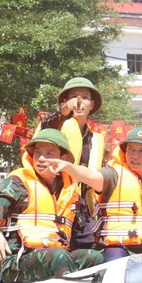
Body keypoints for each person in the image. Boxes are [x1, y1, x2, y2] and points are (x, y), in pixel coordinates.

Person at [47, 126, 142, 262]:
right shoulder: (112, 175)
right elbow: (90, 176)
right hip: (121, 247)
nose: (134, 155)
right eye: (131, 150)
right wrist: (68, 167)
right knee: (115, 259)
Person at [0, 129, 104, 283]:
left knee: (95, 257)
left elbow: (84, 232)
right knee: (58, 256)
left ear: (63, 158)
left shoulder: (71, 193)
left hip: (58, 257)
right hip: (18, 262)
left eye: (49, 154)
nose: (41, 159)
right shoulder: (18, 183)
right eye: (38, 152)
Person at [39, 77, 106, 249]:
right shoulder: (56, 127)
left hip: (83, 207)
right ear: (64, 102)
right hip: (55, 202)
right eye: (74, 96)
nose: (79, 101)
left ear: (92, 104)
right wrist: (65, 108)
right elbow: (47, 122)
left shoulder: (96, 139)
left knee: (96, 250)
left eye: (84, 97)